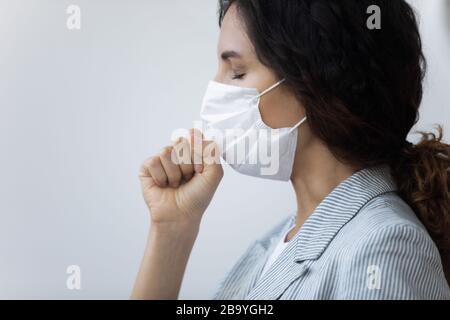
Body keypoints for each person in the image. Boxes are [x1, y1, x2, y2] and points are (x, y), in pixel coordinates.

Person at [131, 0, 450, 300]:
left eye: (237, 72)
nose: (215, 88)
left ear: (318, 83)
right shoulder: (277, 244)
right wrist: (171, 230)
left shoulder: (384, 248)